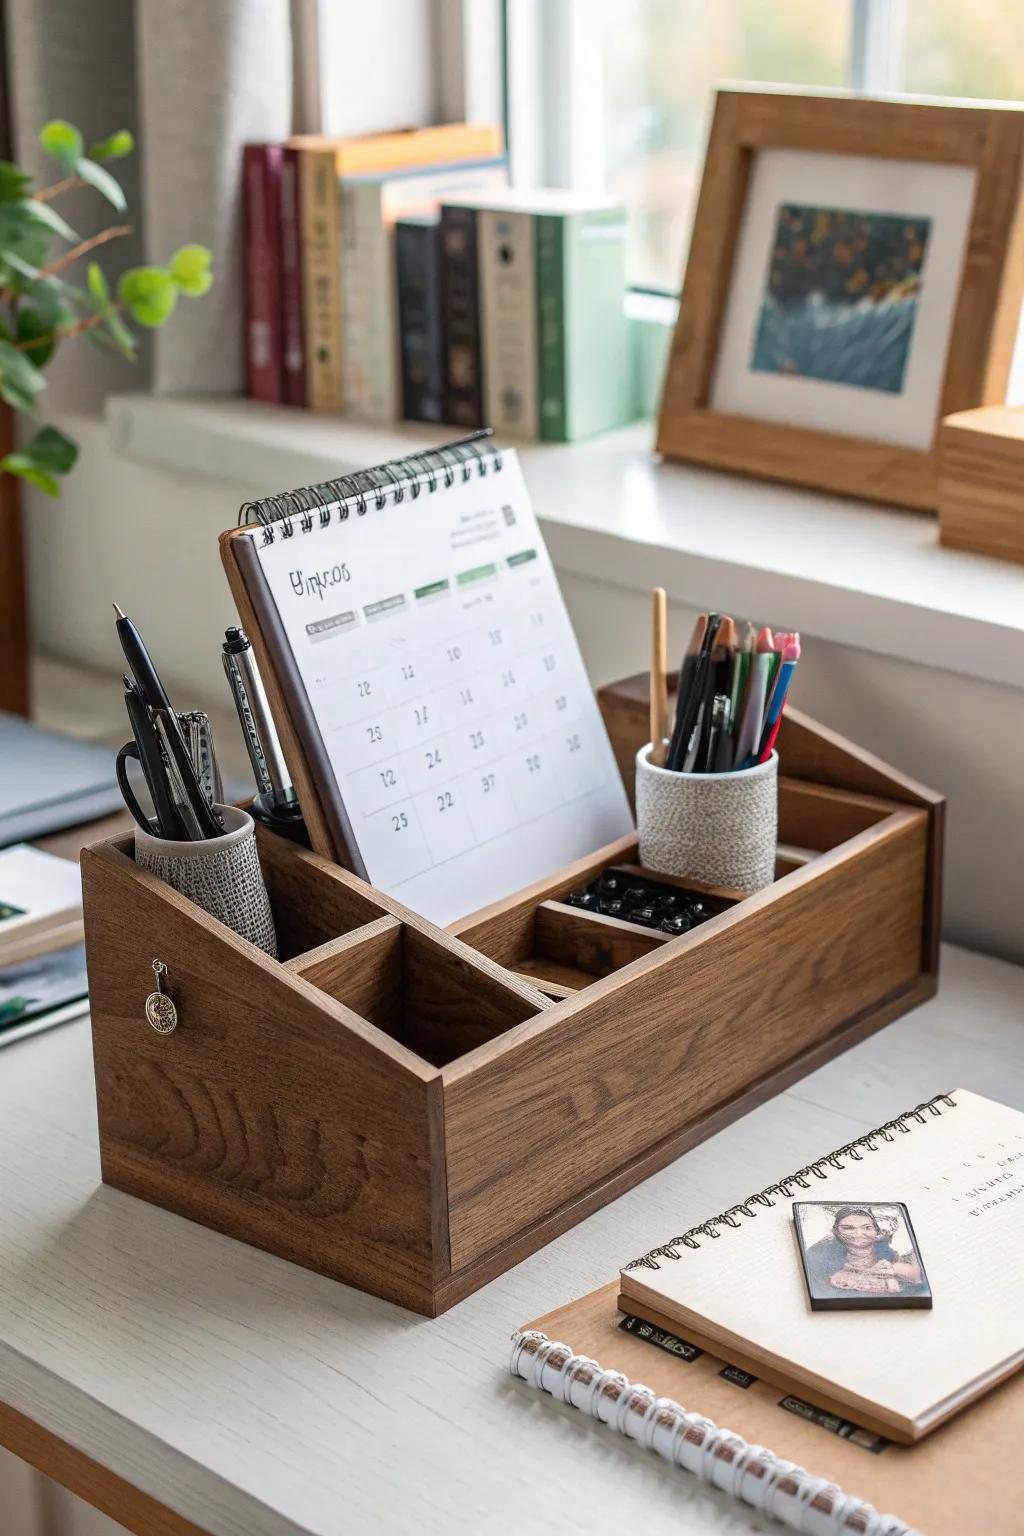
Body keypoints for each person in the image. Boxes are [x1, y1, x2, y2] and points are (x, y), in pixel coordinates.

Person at [803, 1206, 923, 1297]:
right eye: (848, 1228)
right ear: (836, 1231)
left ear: (878, 1233)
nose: (858, 1233)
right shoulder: (822, 1265)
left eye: (867, 1227)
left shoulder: (897, 1264)